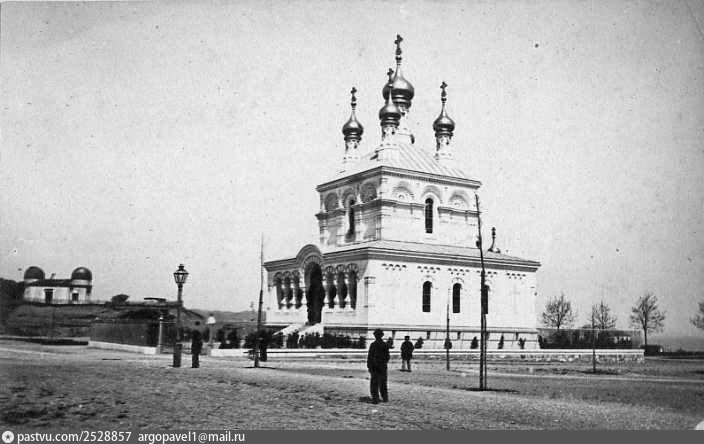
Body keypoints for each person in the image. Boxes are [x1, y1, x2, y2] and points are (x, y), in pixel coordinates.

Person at [367, 328, 390, 404]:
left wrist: (369, 366)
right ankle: (385, 398)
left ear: (375, 336)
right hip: (382, 367)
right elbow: (388, 356)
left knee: (374, 383)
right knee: (383, 383)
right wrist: (383, 363)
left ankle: (375, 399)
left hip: (374, 367)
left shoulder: (373, 345)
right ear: (382, 335)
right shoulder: (385, 344)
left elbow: (370, 357)